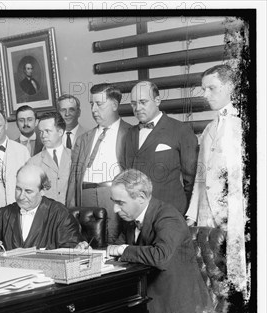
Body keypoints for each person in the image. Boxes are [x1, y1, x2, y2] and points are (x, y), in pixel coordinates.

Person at [106, 169, 207, 313]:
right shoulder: (130, 217)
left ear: (141, 197)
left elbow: (160, 256)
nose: (115, 210)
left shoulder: (168, 216)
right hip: (148, 291)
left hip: (172, 301)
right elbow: (118, 246)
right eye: (114, 202)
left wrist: (122, 250)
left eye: (120, 203)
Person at [185, 64, 247, 296]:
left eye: (212, 88)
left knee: (238, 281)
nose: (205, 95)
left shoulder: (245, 123)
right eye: (203, 89)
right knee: (211, 280)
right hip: (206, 217)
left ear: (231, 87)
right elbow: (201, 178)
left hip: (235, 219)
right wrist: (192, 214)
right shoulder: (209, 129)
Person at [0, 165, 85, 251]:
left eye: (28, 191)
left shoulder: (60, 214)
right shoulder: (5, 213)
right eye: (18, 189)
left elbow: (72, 250)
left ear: (43, 190)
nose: (21, 196)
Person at [123, 80, 199, 215]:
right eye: (134, 104)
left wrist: (185, 213)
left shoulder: (181, 130)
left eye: (143, 102)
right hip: (136, 215)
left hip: (170, 213)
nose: (138, 108)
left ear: (157, 101)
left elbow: (192, 180)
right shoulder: (130, 133)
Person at [68, 83, 132, 243]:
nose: (94, 109)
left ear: (115, 105)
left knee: (114, 244)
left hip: (113, 197)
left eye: (99, 104)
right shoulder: (83, 139)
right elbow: (72, 180)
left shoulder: (131, 134)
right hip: (85, 198)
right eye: (91, 104)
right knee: (87, 246)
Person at [26, 111, 71, 204]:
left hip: (73, 213)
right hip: (47, 214)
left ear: (60, 132)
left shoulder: (74, 156)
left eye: (47, 131)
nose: (43, 136)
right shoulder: (32, 162)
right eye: (41, 132)